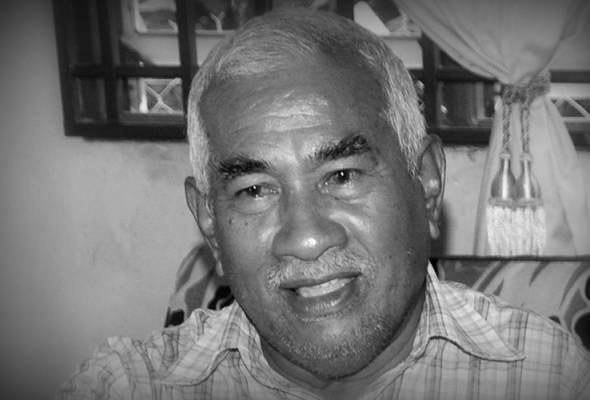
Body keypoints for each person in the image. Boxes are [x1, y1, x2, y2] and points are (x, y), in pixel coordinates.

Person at [59, 8, 590, 400]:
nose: (307, 238)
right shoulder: (128, 386)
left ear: (426, 183)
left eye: (341, 176)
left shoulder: (548, 377)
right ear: (211, 224)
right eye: (254, 190)